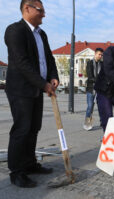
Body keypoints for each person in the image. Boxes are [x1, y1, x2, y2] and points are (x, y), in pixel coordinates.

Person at [4, 0, 59, 188]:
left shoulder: (41, 34)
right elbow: (22, 63)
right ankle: (16, 171)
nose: (44, 14)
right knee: (22, 128)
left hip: (37, 88)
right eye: (40, 10)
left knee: (34, 127)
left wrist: (53, 77)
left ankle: (29, 163)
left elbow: (49, 58)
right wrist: (43, 84)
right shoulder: (15, 31)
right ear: (27, 8)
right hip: (21, 89)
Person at [83, 48, 103, 130]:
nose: (100, 56)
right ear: (95, 54)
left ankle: (103, 123)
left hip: (100, 89)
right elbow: (90, 76)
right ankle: (87, 123)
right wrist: (99, 81)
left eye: (101, 55)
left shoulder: (102, 64)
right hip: (91, 88)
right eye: (99, 54)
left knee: (102, 106)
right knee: (90, 106)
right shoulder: (90, 63)